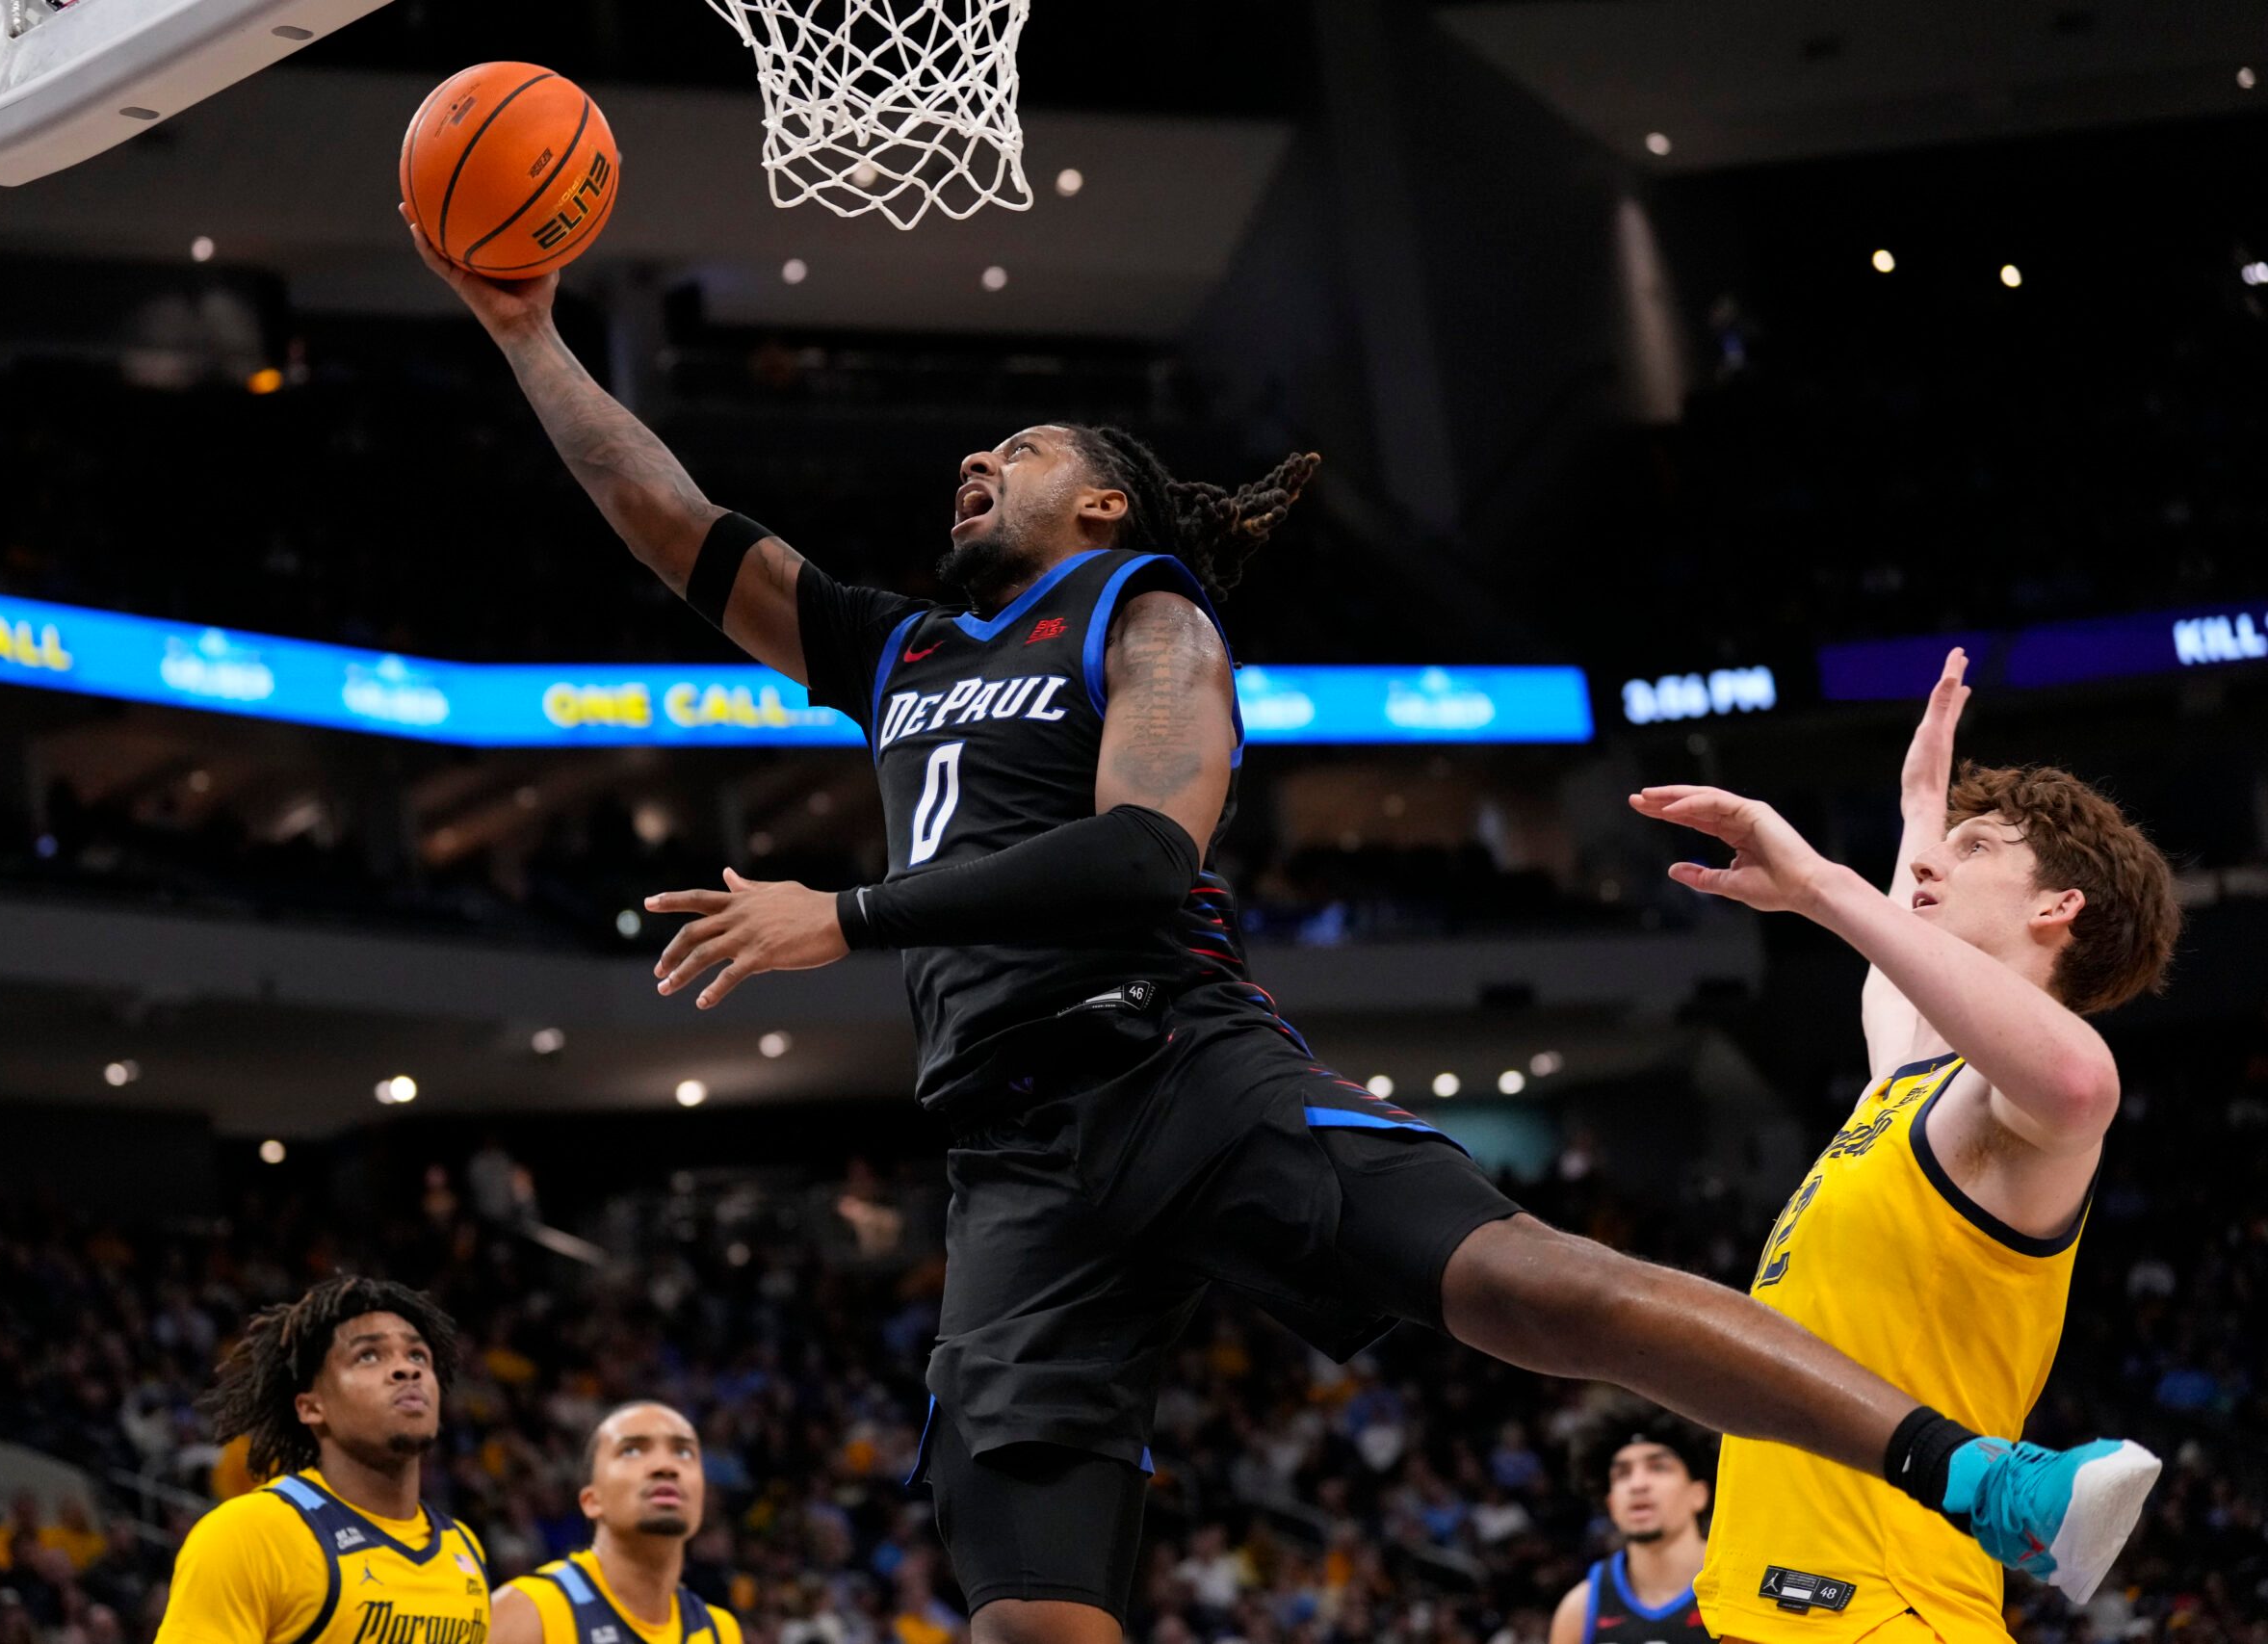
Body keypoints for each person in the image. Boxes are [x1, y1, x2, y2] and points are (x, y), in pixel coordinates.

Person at [410, 225, 2164, 1644]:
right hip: (1011, 1153)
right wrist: (528, 332)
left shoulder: (1140, 609)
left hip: (1174, 1056)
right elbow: (674, 521)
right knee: (1025, 1602)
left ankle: (1984, 1480)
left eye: (1014, 449)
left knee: (1522, 1286)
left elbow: (1128, 858)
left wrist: (844, 913)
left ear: (1102, 503)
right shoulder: (900, 653)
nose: (972, 457)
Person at [1631, 651, 2181, 1643]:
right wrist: (1920, 809)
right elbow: (1891, 984)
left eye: (1972, 853)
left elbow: (2078, 1081)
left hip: (1889, 1611)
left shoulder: (2014, 1119)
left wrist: (1819, 884)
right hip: (1767, 1605)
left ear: (2056, 908)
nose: (1927, 868)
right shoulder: (1908, 1089)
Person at [152, 1276, 489, 1644]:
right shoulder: (249, 1535)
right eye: (369, 1356)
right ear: (313, 1407)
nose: (407, 1370)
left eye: (417, 1355)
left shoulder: (464, 1548)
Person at [488, 1403, 744, 1644]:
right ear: (591, 1501)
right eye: (631, 1450)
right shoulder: (528, 1611)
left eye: (683, 1452)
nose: (666, 1466)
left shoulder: (720, 1631)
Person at [1550, 1405, 1714, 1644]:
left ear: (1698, 1494)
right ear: (1611, 1503)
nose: (1637, 1484)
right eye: (1622, 1474)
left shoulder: (1741, 1589)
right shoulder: (1581, 1609)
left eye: (1658, 1467)